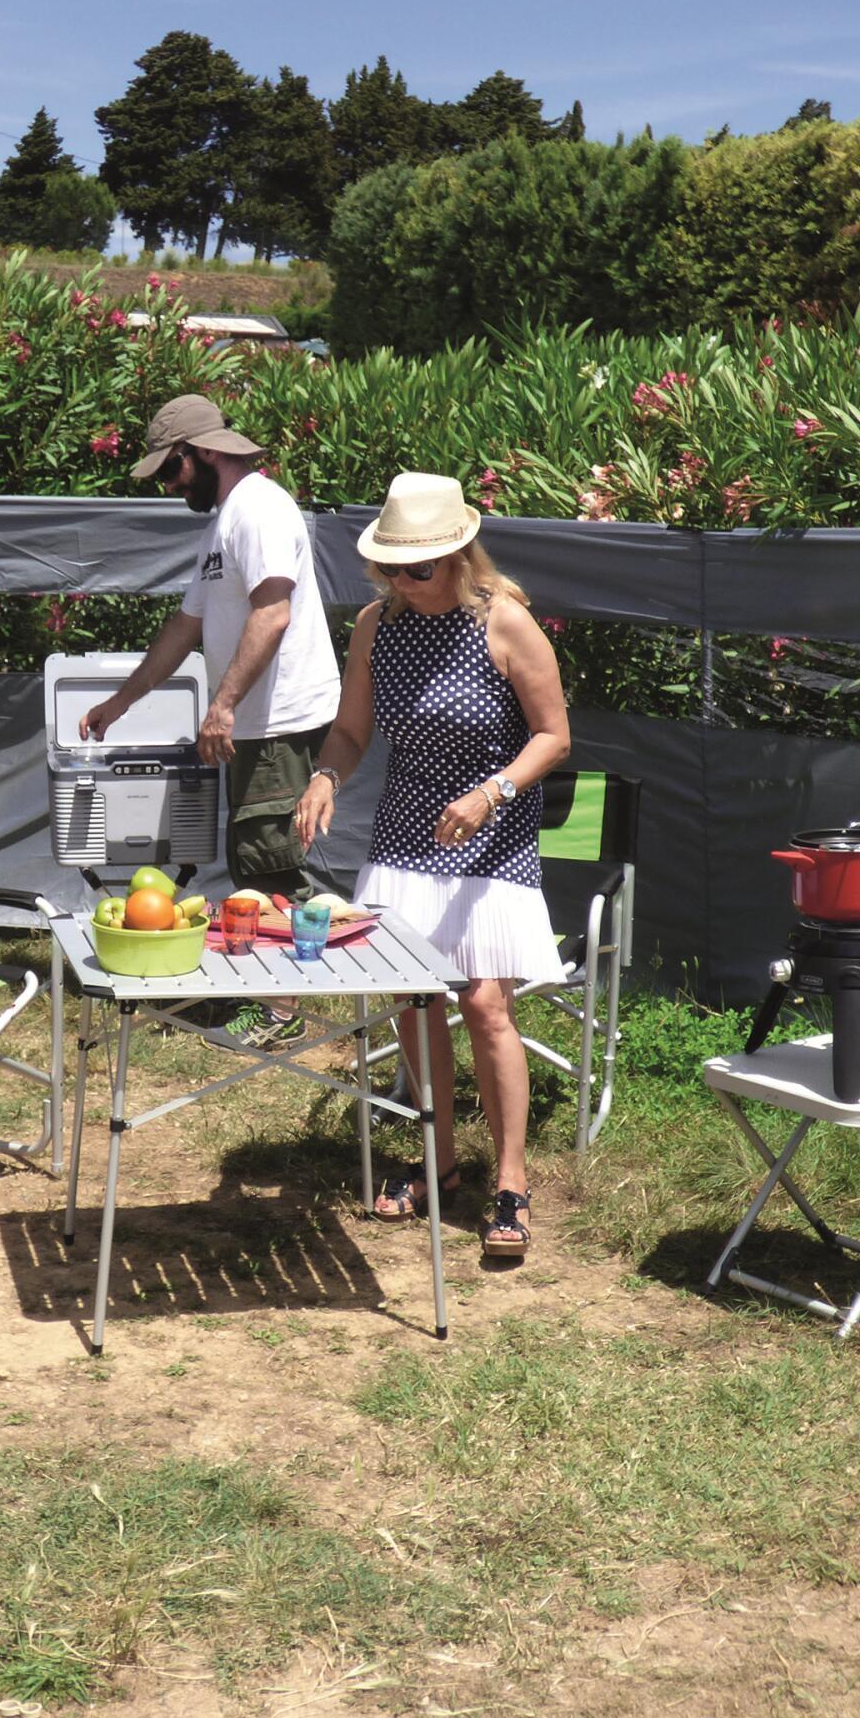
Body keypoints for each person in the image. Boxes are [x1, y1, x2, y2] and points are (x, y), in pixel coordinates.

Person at [292, 471, 571, 1260]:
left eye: (418, 568)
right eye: (391, 568)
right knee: (414, 1002)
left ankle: (510, 1182)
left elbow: (554, 737)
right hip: (406, 836)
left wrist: (492, 792)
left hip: (492, 833)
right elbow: (352, 731)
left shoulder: (505, 622)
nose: (404, 583)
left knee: (485, 1004)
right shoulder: (376, 626)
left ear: (458, 557)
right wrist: (325, 775)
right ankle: (438, 1161)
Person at [81, 393, 341, 1051]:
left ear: (200, 452)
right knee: (256, 854)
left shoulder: (259, 508)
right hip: (258, 721)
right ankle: (274, 997)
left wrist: (221, 705)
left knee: (268, 859)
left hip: (279, 718)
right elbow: (185, 627)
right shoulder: (225, 521)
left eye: (170, 470)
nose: (170, 487)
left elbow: (273, 613)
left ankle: (280, 1012)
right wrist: (121, 702)